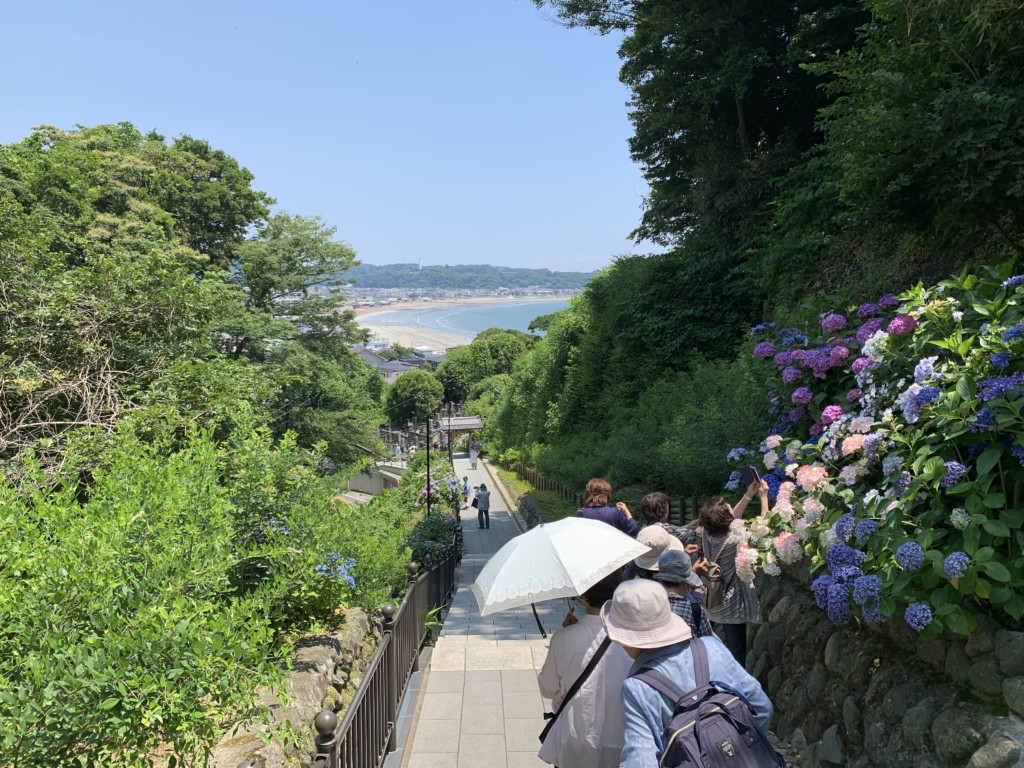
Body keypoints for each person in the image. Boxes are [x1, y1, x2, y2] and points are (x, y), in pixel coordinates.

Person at [600, 580, 773, 768]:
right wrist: (738, 752)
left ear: (626, 637)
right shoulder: (712, 647)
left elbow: (641, 762)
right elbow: (762, 707)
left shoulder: (638, 688)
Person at [537, 570, 632, 768]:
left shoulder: (563, 639)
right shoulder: (633, 638)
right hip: (621, 737)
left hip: (575, 736)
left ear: (583, 595)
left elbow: (548, 688)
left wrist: (567, 634)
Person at [694, 479, 768, 667]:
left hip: (712, 599)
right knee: (737, 655)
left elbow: (733, 517)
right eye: (727, 507)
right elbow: (764, 528)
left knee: (712, 651)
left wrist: (749, 494)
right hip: (731, 603)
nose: (730, 508)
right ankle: (736, 683)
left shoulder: (706, 532)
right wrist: (763, 497)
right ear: (725, 517)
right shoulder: (737, 537)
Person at [653, 549, 714, 638]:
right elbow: (709, 641)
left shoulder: (650, 606)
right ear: (686, 585)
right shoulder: (694, 610)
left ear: (660, 581)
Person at [639, 492, 700, 559]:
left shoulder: (645, 527)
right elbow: (689, 536)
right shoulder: (663, 528)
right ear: (663, 510)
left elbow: (675, 531)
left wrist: (688, 526)